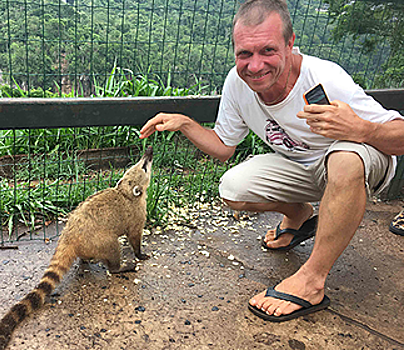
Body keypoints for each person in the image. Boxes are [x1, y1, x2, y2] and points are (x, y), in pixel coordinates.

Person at [139, 0, 404, 322]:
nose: (254, 66)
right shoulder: (238, 84)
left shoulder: (324, 78)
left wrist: (361, 128)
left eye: (267, 50)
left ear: (290, 43)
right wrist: (185, 123)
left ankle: (311, 281)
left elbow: (399, 137)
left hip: (360, 162)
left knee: (344, 159)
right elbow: (224, 147)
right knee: (234, 188)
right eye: (244, 54)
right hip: (307, 168)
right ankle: (299, 215)